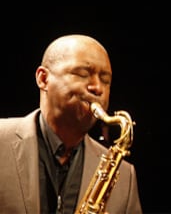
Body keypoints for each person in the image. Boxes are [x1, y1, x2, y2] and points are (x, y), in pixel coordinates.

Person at [0, 34, 143, 213]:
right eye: (83, 74)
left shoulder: (125, 177)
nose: (97, 88)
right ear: (43, 79)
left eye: (106, 81)